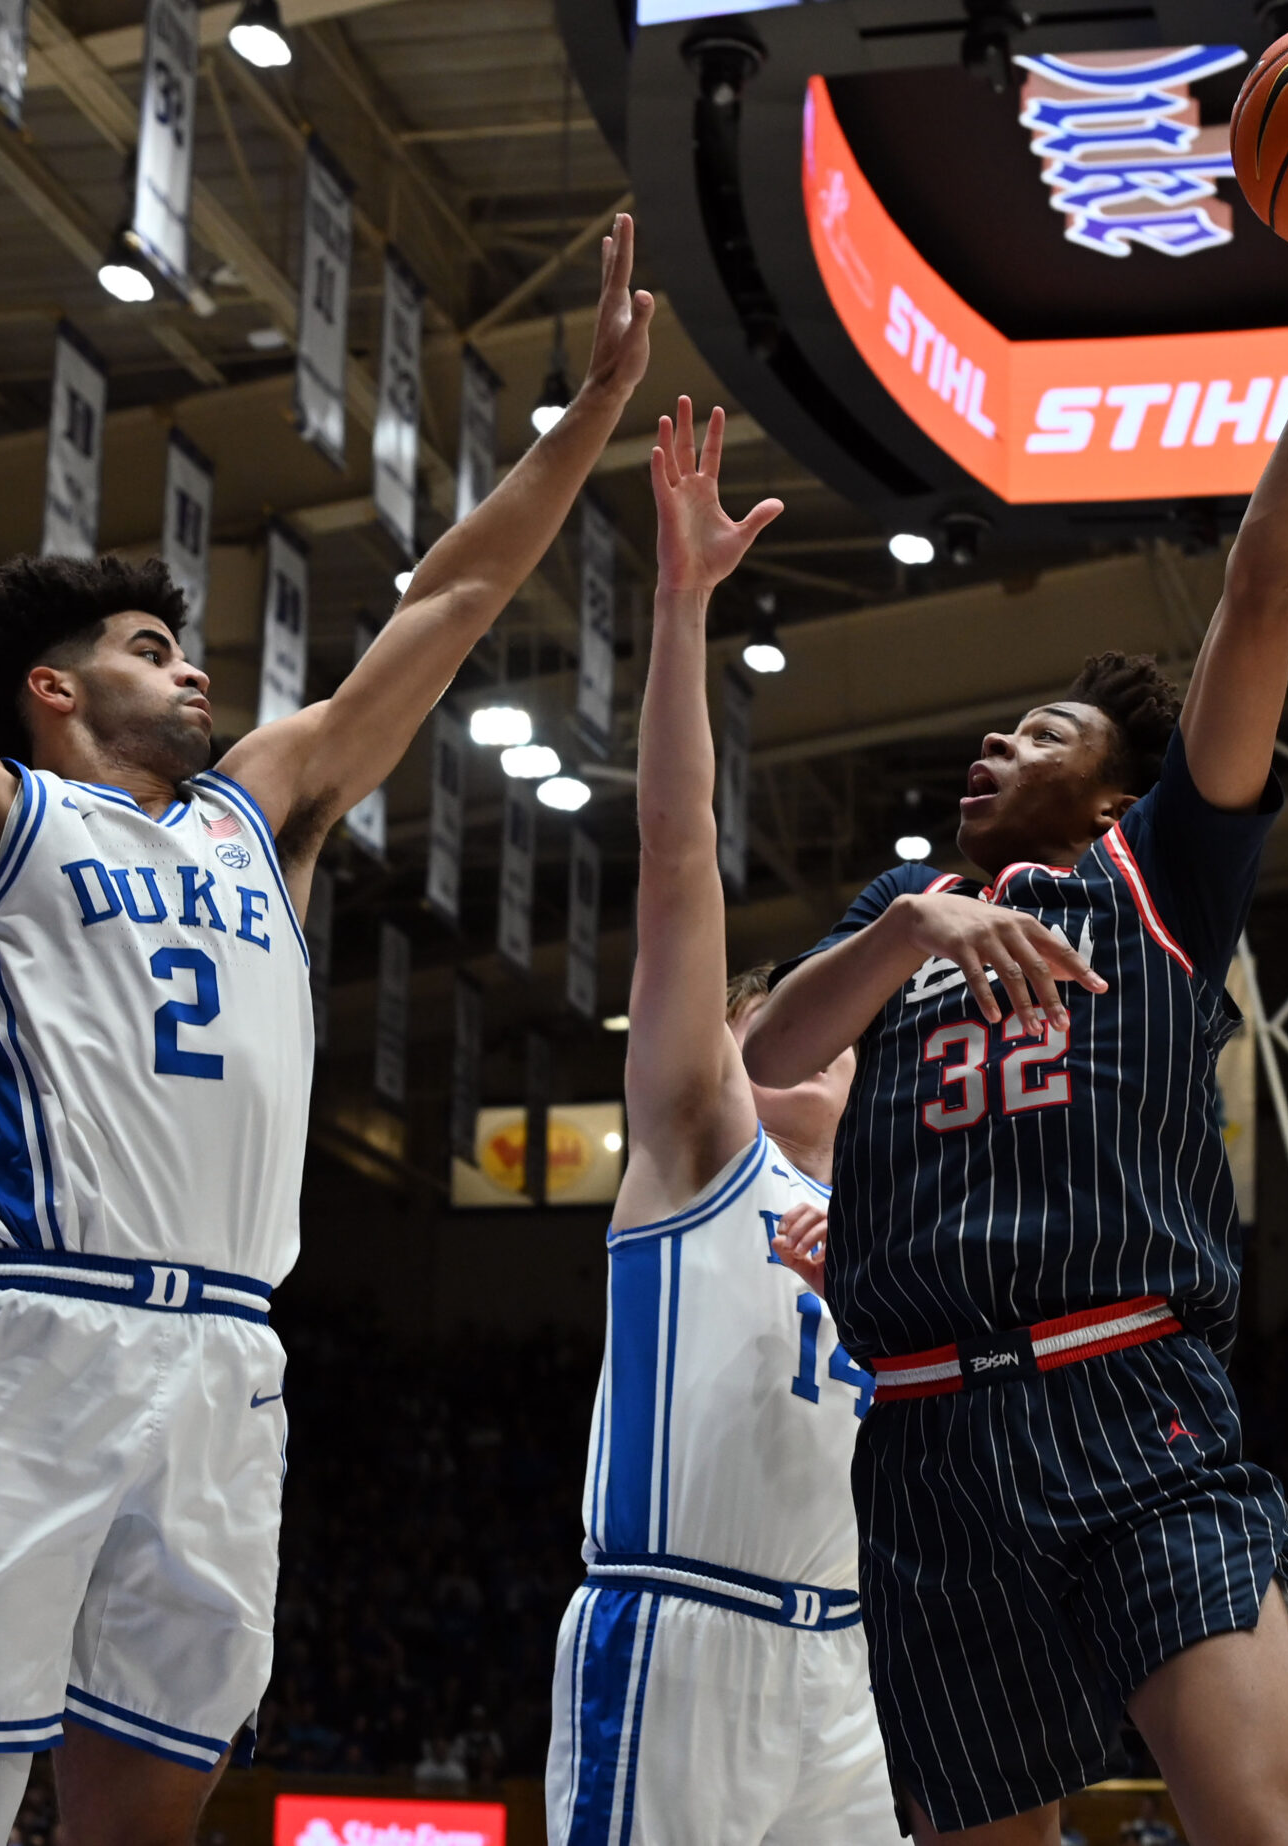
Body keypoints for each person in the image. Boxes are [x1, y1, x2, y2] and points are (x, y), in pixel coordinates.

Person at [0, 119, 656, 1846]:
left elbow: (448, 604)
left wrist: (593, 405)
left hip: (228, 1361)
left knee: (150, 1814)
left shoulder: (265, 816)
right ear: (55, 694)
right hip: (40, 1325)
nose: (195, 663)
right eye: (154, 647)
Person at [740, 99, 1288, 1846]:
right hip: (922, 1443)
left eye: (1041, 727)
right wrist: (910, 923)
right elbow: (775, 1051)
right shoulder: (900, 911)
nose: (995, 738)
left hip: (1132, 1397)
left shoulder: (1158, 875)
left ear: (1115, 783)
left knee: (1261, 1829)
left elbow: (1267, 583)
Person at [542, 402, 892, 1843]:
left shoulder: (899, 1242)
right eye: (762, 1025)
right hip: (682, 1628)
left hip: (848, 1663)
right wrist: (683, 603)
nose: (802, 1051)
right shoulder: (701, 1147)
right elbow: (679, 856)